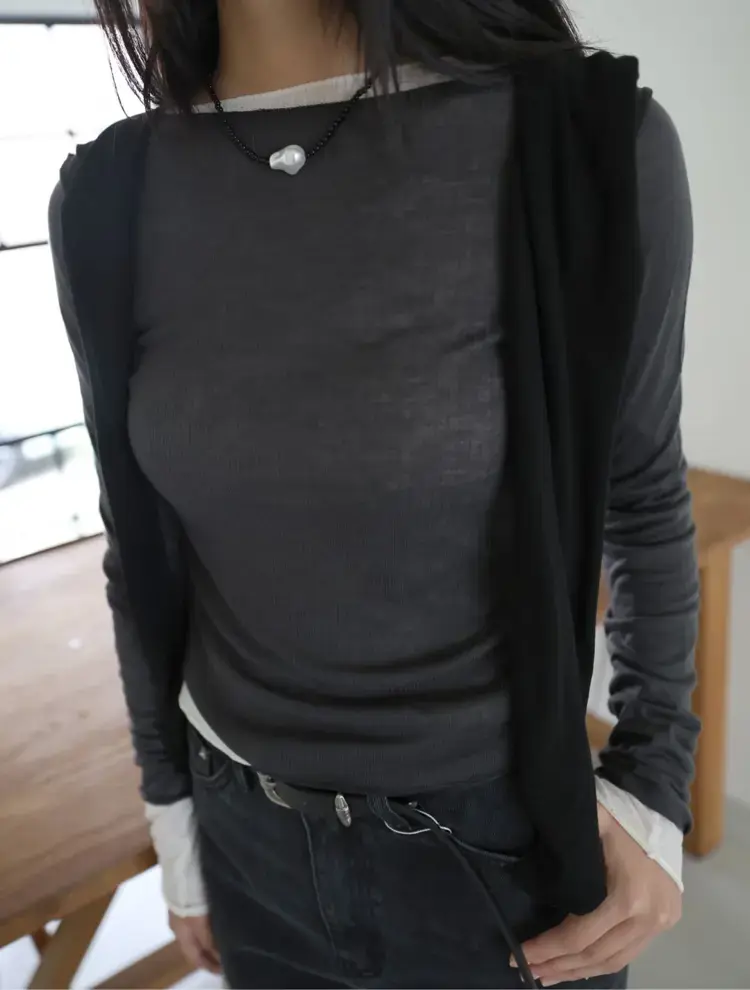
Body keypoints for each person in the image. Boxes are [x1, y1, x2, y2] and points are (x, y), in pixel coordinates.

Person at [49, 1, 700, 987]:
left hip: (500, 863)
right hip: (244, 844)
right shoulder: (109, 193)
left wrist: (653, 780)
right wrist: (173, 815)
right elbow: (135, 552)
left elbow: (642, 492)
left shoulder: (583, 141)